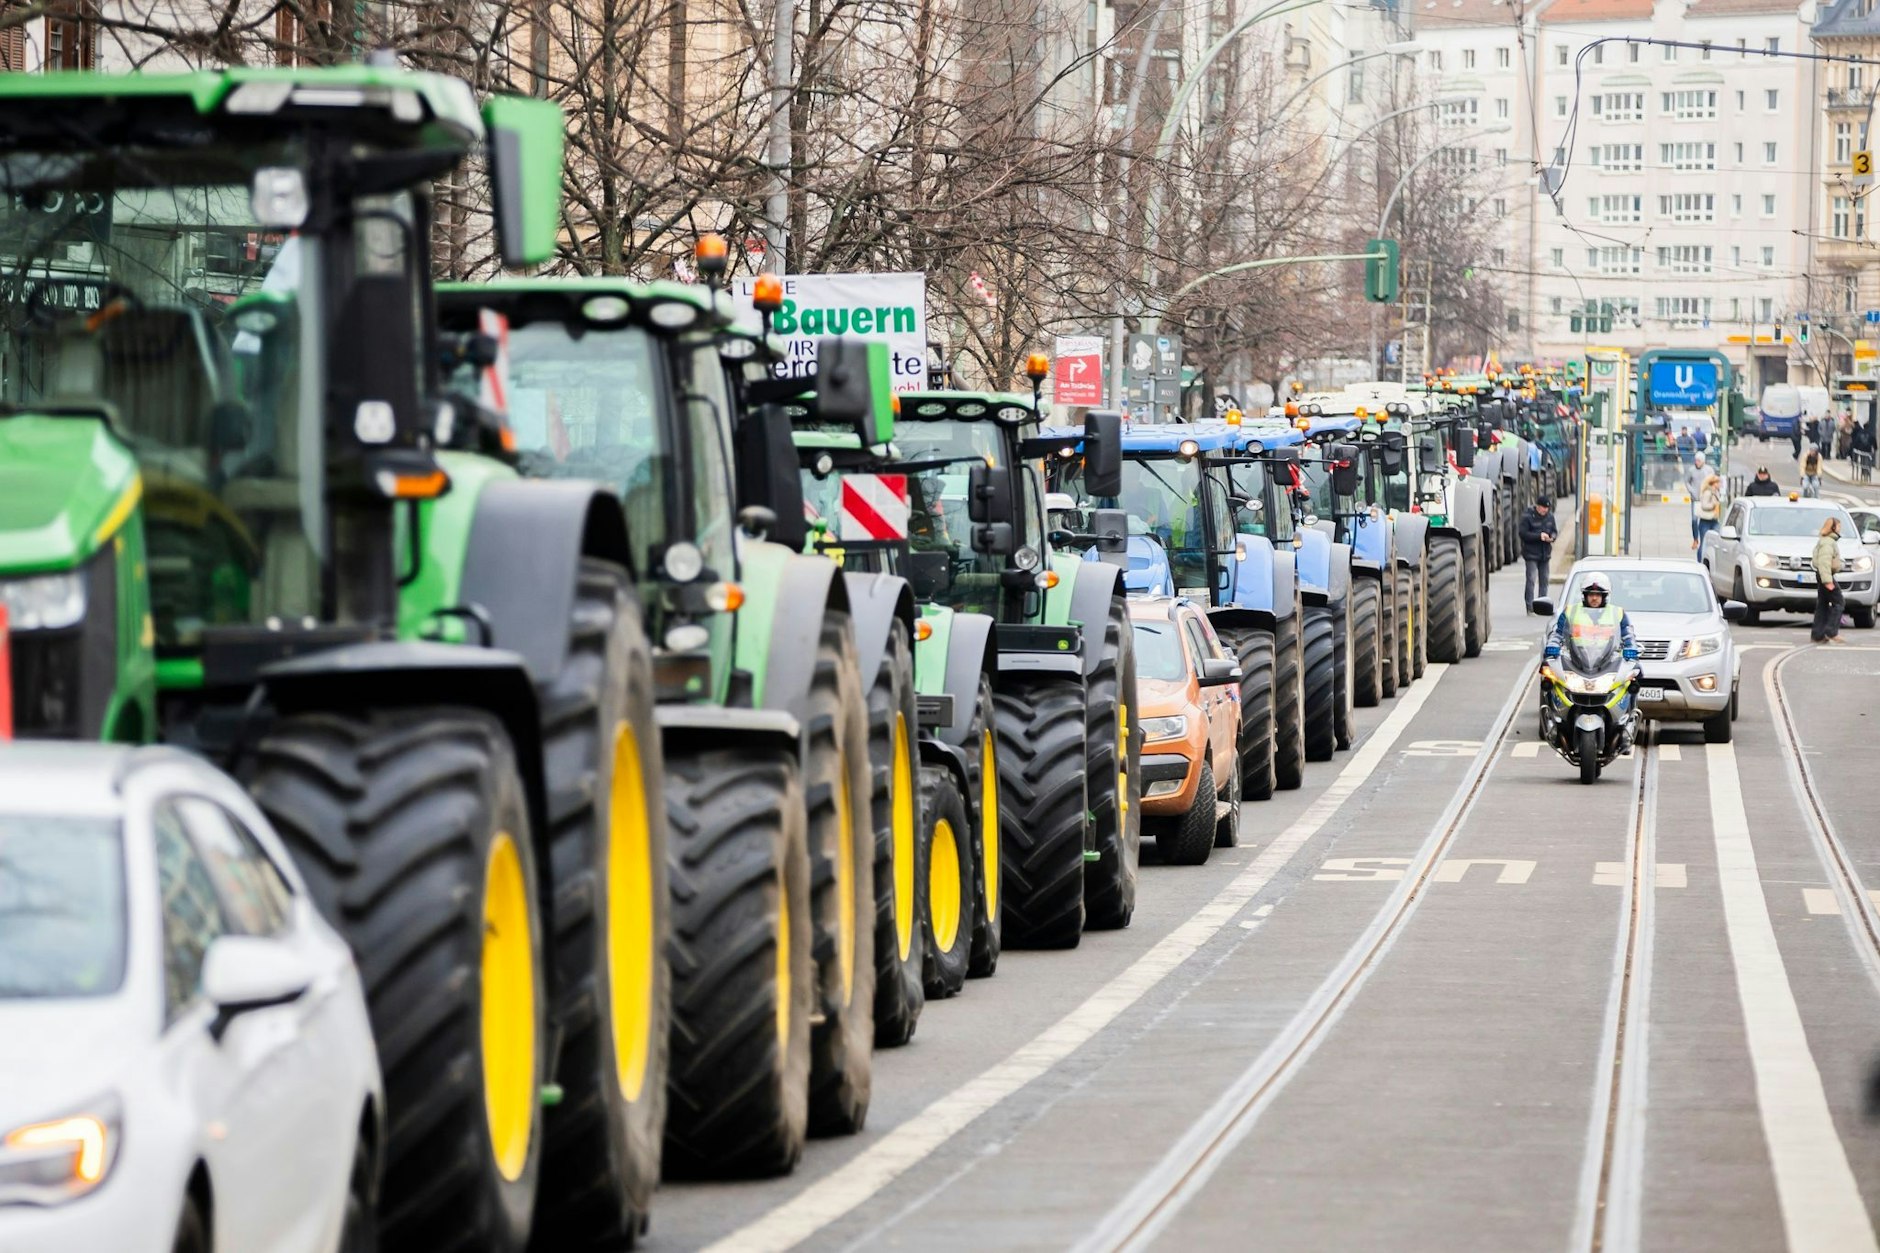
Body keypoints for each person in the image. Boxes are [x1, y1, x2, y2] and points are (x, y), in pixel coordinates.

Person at [1545, 573, 1642, 731]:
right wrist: (1553, 645)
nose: (1594, 598)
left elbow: (1627, 634)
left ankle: (1629, 718)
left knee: (1635, 674)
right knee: (1548, 674)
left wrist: (1631, 648)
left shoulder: (1617, 613)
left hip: (1607, 661)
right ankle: (1553, 718)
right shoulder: (1571, 611)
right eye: (1591, 594)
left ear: (1605, 596)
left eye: (1598, 595)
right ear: (1584, 595)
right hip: (1578, 661)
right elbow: (1557, 633)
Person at [1813, 515, 1847, 644]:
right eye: (1838, 526)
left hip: (1823, 575)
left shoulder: (1826, 541)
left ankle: (1818, 634)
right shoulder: (1828, 543)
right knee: (1839, 602)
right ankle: (1831, 632)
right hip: (1826, 576)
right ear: (1832, 528)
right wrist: (1828, 581)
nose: (1840, 529)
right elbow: (1824, 562)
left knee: (1822, 604)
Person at [1519, 498, 1556, 613]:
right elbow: (1523, 534)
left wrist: (1552, 537)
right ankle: (1530, 606)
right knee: (1531, 580)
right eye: (1543, 508)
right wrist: (1538, 536)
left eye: (1547, 508)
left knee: (1544, 581)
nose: (1545, 510)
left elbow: (1554, 531)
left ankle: (1542, 606)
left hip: (1545, 554)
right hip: (1531, 554)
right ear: (1538, 506)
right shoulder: (1528, 517)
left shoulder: (1550, 517)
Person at [1694, 472, 1723, 553]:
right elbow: (1704, 505)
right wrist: (1713, 504)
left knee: (1716, 541)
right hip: (1705, 521)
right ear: (1713, 483)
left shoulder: (1716, 492)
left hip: (1714, 519)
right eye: (1718, 482)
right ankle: (1700, 559)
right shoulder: (1708, 492)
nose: (1719, 484)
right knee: (1704, 543)